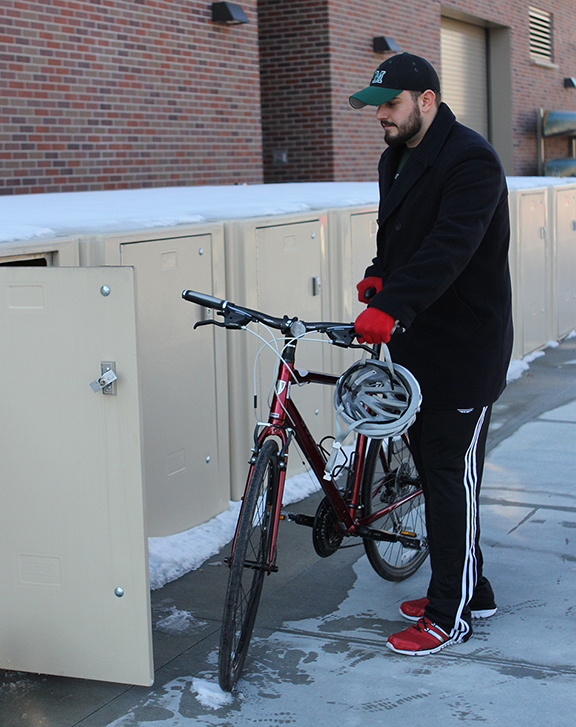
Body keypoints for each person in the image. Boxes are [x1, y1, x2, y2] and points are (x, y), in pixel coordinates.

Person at [349, 52, 513, 655]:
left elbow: (450, 247)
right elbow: (398, 240)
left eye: (389, 106)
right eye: (375, 108)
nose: (380, 118)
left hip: (464, 351)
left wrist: (393, 307)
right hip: (418, 348)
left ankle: (450, 614)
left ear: (426, 100)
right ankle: (474, 588)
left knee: (449, 479)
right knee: (440, 476)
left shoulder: (472, 159)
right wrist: (377, 278)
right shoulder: (396, 158)